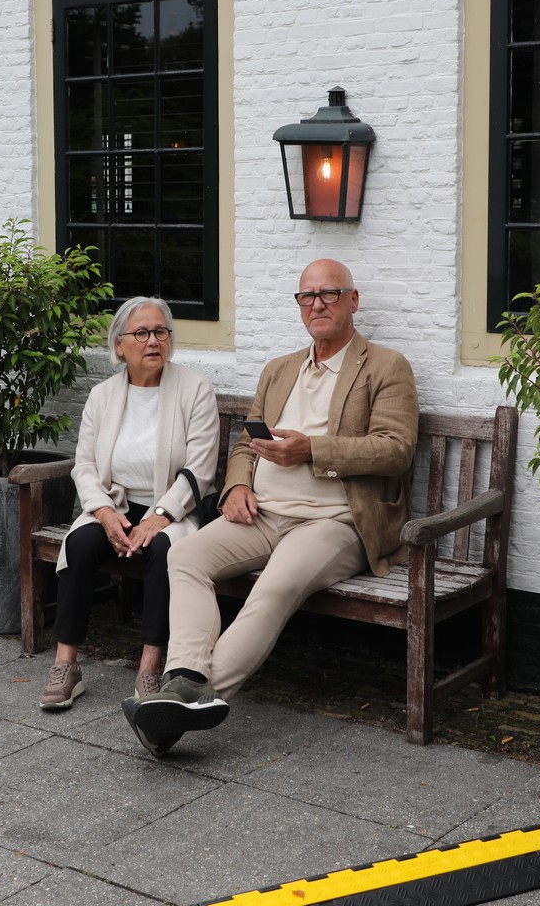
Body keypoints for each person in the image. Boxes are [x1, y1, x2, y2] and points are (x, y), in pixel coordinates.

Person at [122, 259, 418, 754]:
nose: (317, 304)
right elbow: (245, 445)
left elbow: (396, 449)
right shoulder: (280, 369)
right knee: (185, 556)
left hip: (335, 520)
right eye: (307, 296)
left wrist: (312, 450)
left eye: (329, 293)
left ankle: (189, 702)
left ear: (353, 300)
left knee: (274, 586)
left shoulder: (386, 366)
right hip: (263, 513)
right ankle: (185, 677)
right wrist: (237, 487)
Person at [38, 296, 220, 711]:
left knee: (163, 549)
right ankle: (66, 663)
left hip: (173, 509)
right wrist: (103, 512)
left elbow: (201, 468)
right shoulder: (102, 395)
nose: (153, 341)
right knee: (80, 544)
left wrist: (159, 516)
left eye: (160, 331)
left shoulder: (194, 389)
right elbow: (85, 465)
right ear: (119, 345)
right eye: (141, 333)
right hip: (115, 504)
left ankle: (149, 667)